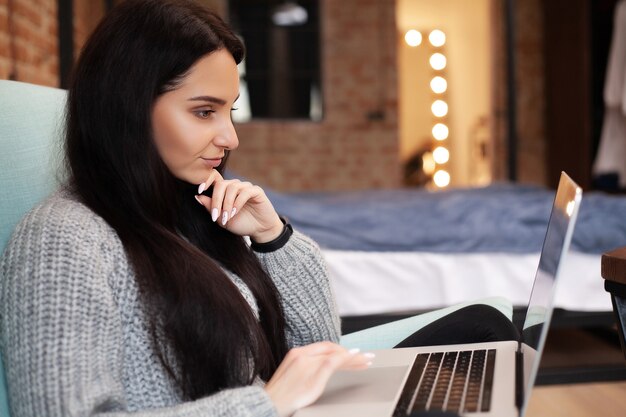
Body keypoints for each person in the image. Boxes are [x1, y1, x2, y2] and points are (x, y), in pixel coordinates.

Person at [0, 1, 517, 416]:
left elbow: (320, 347)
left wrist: (274, 238)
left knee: (482, 328)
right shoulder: (63, 238)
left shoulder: (189, 215)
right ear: (128, 109)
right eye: (204, 112)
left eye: (229, 110)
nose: (229, 136)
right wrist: (265, 403)